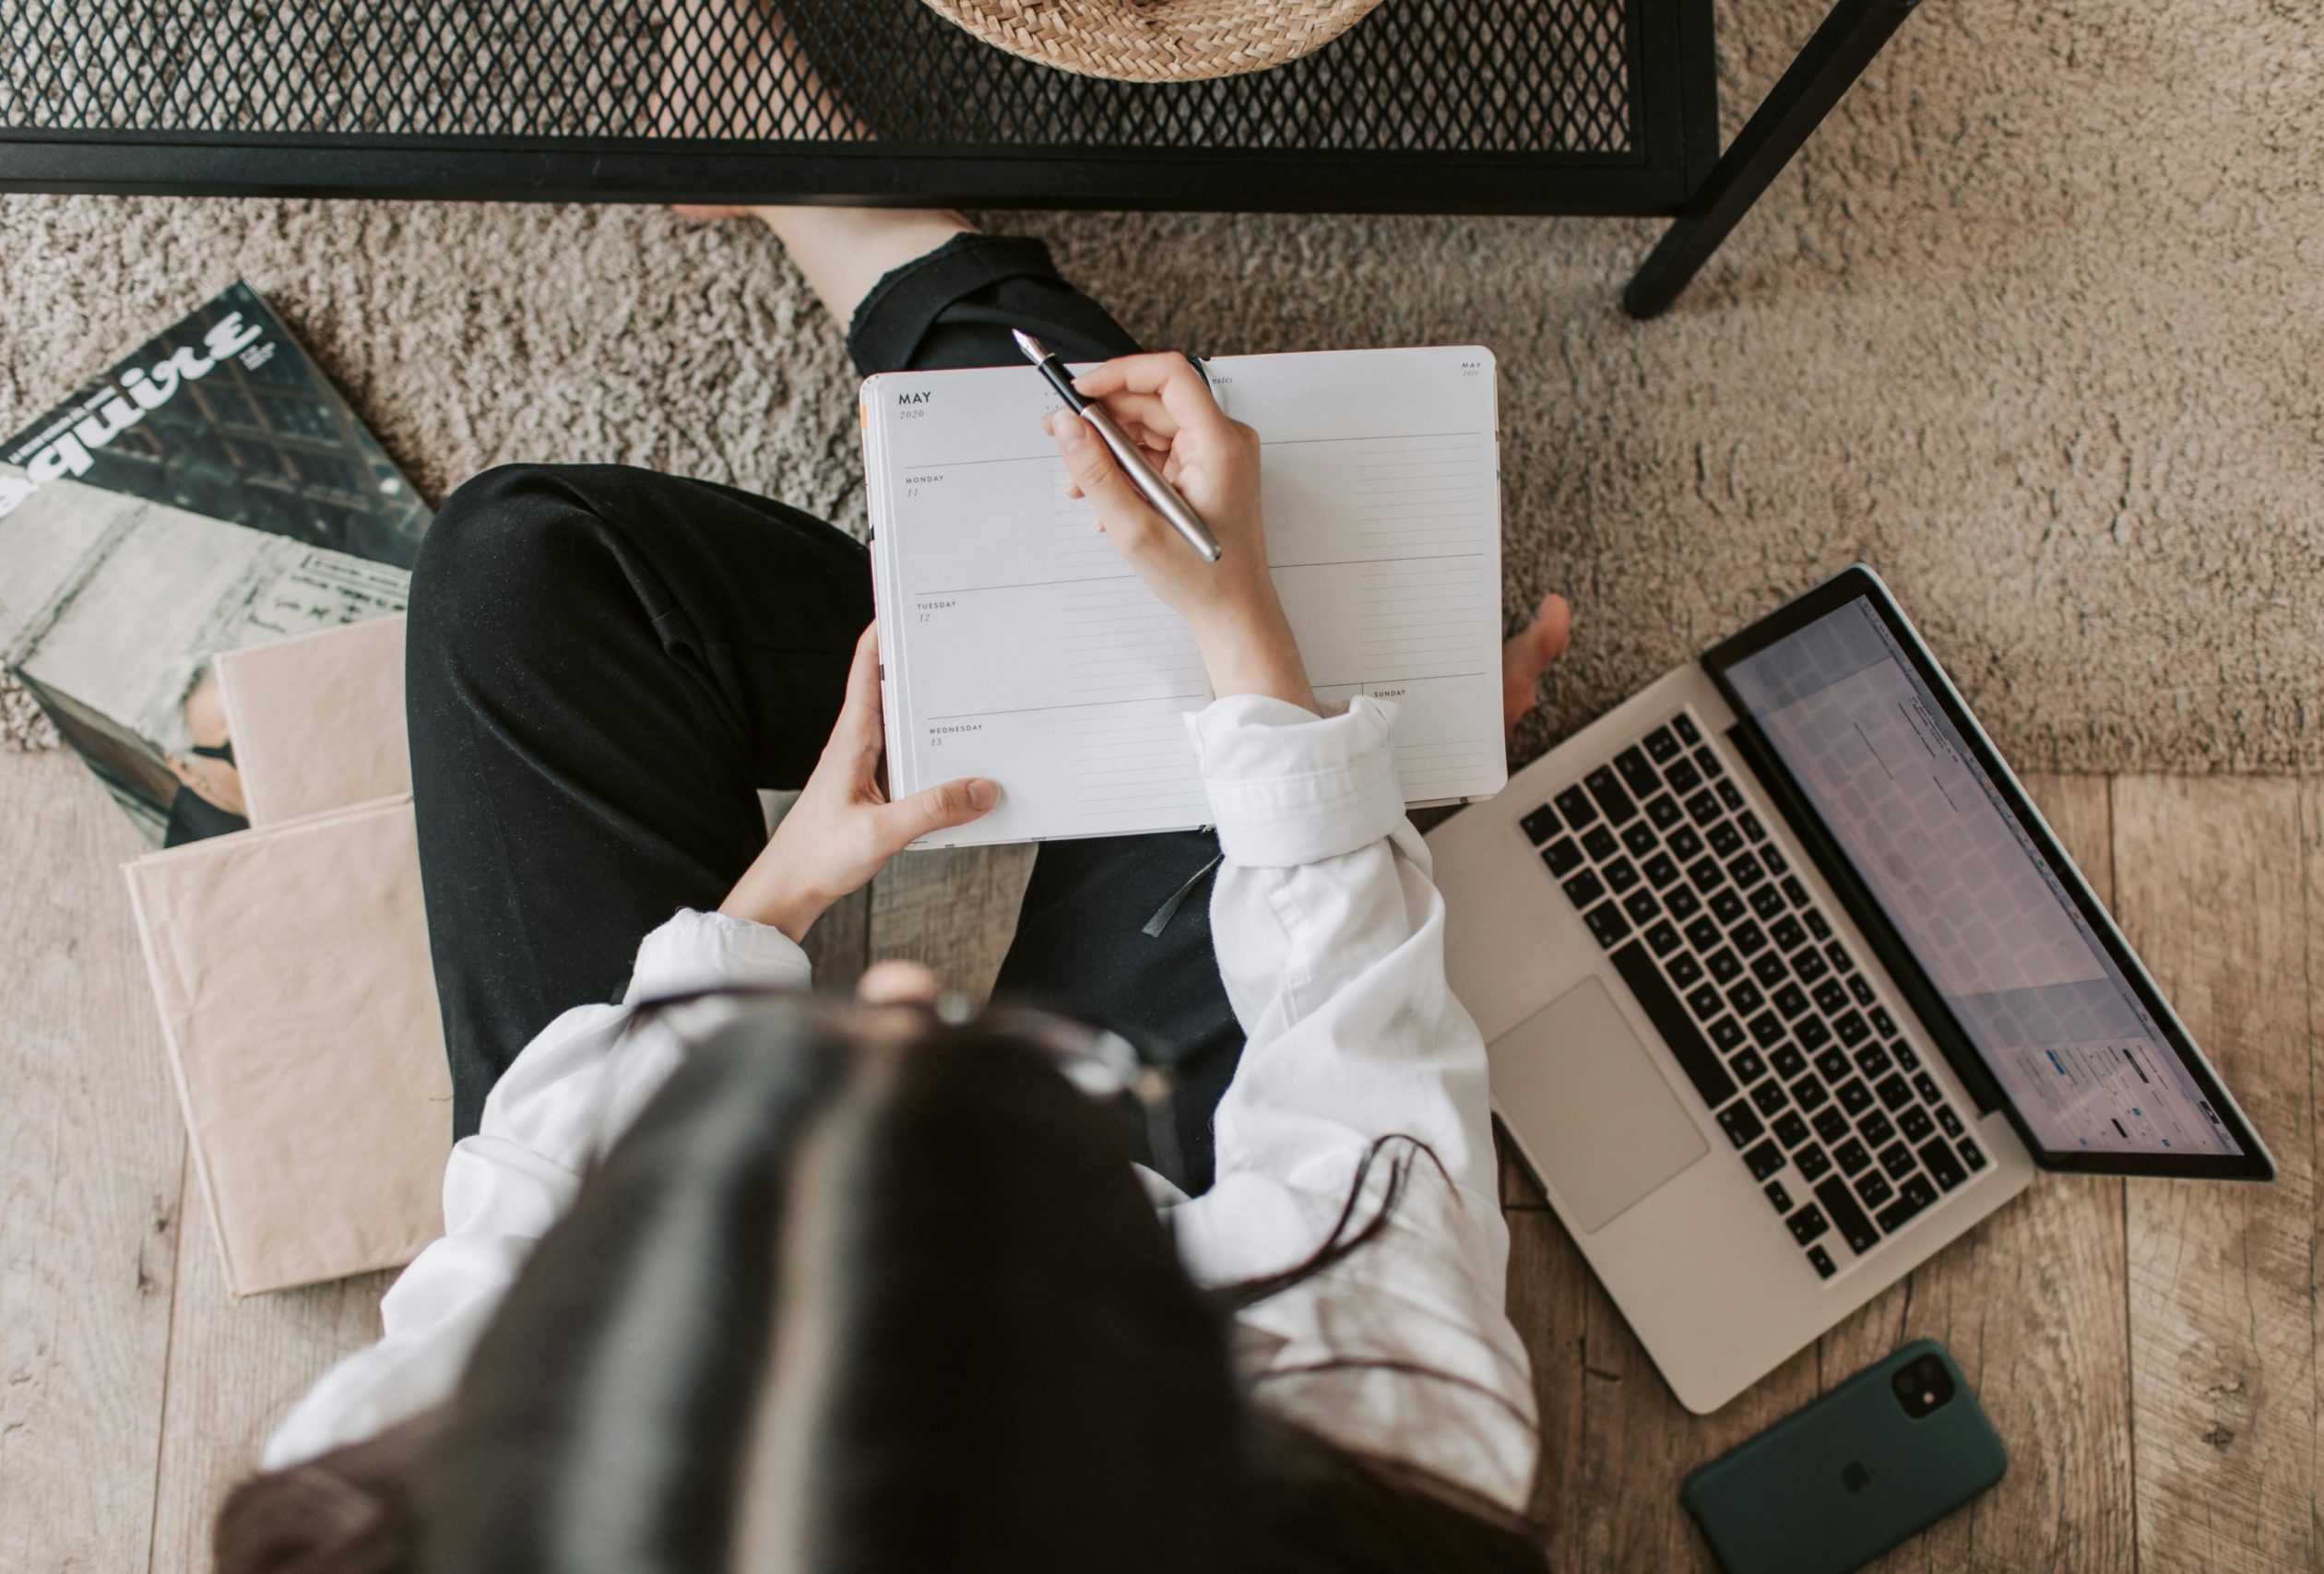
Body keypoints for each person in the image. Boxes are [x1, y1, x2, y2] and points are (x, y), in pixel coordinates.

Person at [213, 199, 1575, 1573]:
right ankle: (891, 251)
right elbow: (1358, 1072)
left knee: (523, 564)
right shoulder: (1384, 1461)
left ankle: (911, 292)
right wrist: (1266, 657)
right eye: (1018, 1084)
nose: (905, 982)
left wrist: (768, 907)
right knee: (1289, 690)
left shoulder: (389, 1503)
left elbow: (527, 1200)